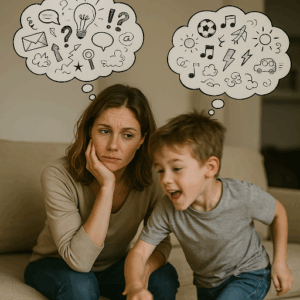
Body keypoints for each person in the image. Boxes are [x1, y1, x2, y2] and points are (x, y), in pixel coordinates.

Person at [24, 84, 179, 300]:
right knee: (81, 285)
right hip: (55, 264)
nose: (113, 146)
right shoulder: (57, 174)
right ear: (90, 130)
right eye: (104, 131)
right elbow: (79, 261)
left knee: (164, 278)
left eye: (127, 135)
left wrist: (140, 272)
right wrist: (107, 186)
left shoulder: (153, 177)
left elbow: (160, 241)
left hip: (113, 266)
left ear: (142, 139)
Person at [123, 110, 294, 300]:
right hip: (207, 286)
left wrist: (280, 262)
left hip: (249, 275)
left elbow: (278, 213)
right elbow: (138, 253)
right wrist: (134, 285)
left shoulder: (241, 195)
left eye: (176, 168)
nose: (165, 179)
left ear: (210, 167)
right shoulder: (167, 209)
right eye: (160, 170)